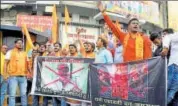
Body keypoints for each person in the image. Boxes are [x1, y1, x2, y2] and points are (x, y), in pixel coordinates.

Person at [4, 38, 31, 106]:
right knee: (12, 95)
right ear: (15, 44)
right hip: (13, 77)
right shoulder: (10, 52)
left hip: (23, 77)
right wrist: (5, 75)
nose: (20, 44)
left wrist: (30, 73)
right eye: (18, 43)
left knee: (23, 94)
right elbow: (5, 64)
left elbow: (28, 65)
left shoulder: (25, 53)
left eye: (21, 43)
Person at [161, 32, 178, 105]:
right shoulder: (175, 36)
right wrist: (166, 47)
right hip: (174, 66)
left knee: (172, 92)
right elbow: (167, 37)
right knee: (166, 90)